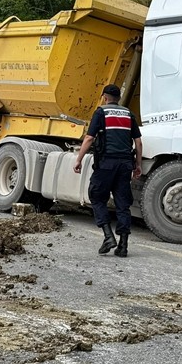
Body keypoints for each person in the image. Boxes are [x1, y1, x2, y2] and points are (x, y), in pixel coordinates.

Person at [73, 84, 142, 257]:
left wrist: (79, 159)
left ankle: (108, 236)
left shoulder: (101, 112)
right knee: (123, 204)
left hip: (106, 164)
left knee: (96, 196)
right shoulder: (128, 114)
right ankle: (123, 246)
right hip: (125, 164)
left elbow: (89, 138)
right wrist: (138, 165)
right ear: (118, 97)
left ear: (104, 96)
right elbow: (138, 142)